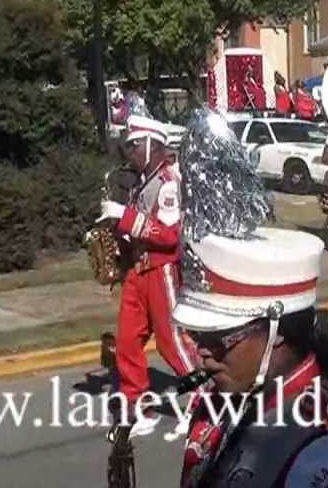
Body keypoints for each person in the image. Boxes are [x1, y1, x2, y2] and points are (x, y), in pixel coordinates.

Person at [172, 228, 328, 487]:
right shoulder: (222, 397)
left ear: (278, 333)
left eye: (219, 340)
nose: (202, 352)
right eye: (197, 336)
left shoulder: (324, 443)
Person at [110, 115, 200, 436]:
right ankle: (138, 409)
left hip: (162, 268)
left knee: (171, 342)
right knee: (126, 340)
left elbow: (168, 236)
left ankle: (207, 403)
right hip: (138, 269)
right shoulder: (141, 183)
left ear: (152, 144)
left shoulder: (167, 183)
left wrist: (125, 217)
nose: (130, 152)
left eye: (135, 145)